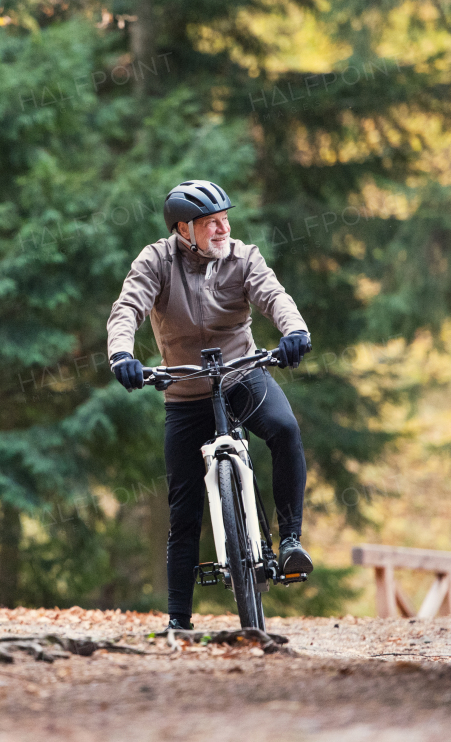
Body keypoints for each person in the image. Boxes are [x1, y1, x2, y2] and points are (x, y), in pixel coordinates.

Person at [106, 180, 314, 632]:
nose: (223, 229)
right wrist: (121, 354)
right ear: (184, 230)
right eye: (211, 224)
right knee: (183, 511)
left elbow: (274, 296)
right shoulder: (156, 261)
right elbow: (127, 309)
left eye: (225, 220)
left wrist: (294, 330)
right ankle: (178, 623)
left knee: (285, 430)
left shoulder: (243, 257)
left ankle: (291, 541)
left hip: (243, 375)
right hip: (184, 392)